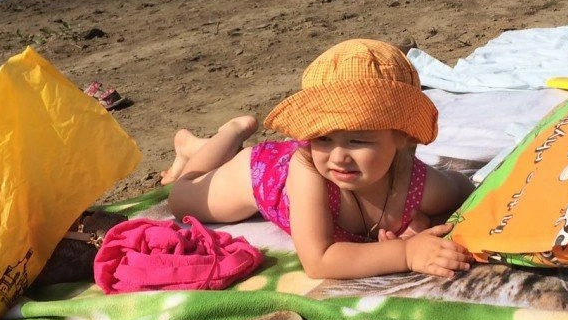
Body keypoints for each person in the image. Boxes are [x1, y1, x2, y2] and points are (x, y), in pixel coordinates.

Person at [162, 39, 475, 280]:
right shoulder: (308, 168)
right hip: (264, 174)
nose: (338, 156)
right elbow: (319, 260)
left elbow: (466, 191)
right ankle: (221, 135)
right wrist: (405, 252)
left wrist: (425, 224)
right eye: (322, 137)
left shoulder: (417, 184)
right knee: (181, 195)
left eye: (358, 140)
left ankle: (207, 144)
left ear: (402, 137)